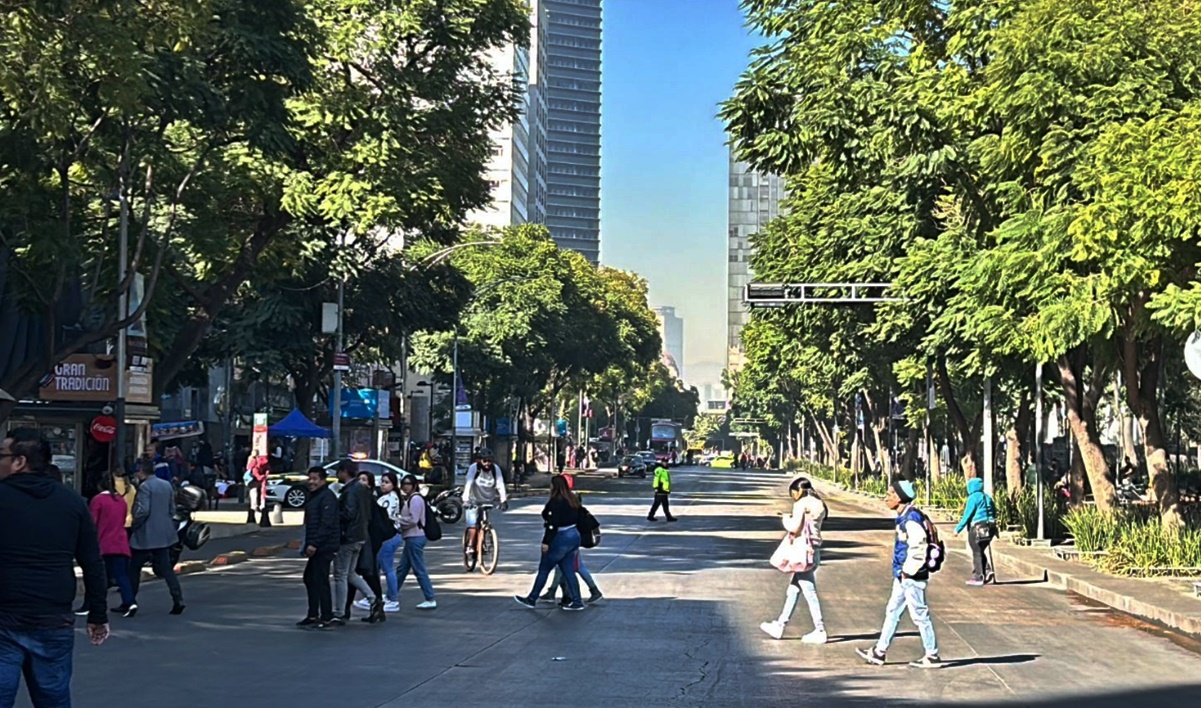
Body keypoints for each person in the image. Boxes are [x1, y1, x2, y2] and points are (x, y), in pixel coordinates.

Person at [0, 428, 109, 707]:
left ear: (19, 462)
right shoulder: (71, 502)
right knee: (54, 697)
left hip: (4, 616)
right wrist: (97, 613)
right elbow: (92, 562)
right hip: (53, 617)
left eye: (2, 455)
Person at [856, 479, 941, 669]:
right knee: (893, 611)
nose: (886, 497)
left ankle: (932, 654)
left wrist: (907, 571)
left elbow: (918, 547)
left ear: (901, 497)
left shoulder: (911, 519)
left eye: (891, 494)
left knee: (919, 614)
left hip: (911, 575)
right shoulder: (905, 517)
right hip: (903, 575)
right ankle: (879, 652)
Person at [760, 477, 828, 643]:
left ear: (799, 491)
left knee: (809, 591)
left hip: (801, 552)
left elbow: (793, 527)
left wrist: (785, 518)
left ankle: (820, 629)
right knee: (794, 589)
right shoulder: (819, 503)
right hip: (813, 549)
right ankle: (780, 625)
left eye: (793, 493)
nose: (793, 497)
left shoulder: (801, 504)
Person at [514, 475, 585, 611]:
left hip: (560, 537)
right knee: (569, 570)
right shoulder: (572, 500)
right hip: (574, 535)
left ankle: (532, 598)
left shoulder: (555, 502)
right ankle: (577, 600)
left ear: (554, 486)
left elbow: (552, 525)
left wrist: (546, 542)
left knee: (544, 569)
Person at [129, 459, 186, 615]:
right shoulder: (166, 484)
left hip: (146, 534)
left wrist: (135, 523)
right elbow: (171, 509)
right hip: (163, 533)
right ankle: (178, 598)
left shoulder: (145, 487)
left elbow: (143, 510)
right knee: (167, 569)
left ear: (141, 471)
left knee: (134, 567)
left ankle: (130, 601)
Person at [331, 460, 380, 625]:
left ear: (344, 471)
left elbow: (348, 513)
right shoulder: (362, 489)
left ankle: (339, 612)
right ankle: (373, 599)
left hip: (349, 536)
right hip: (360, 535)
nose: (337, 475)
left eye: (338, 471)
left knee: (340, 574)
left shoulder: (350, 491)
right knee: (350, 573)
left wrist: (334, 515)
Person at [89, 474, 136, 618]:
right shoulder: (120, 501)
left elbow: (92, 523)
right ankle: (130, 601)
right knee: (122, 575)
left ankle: (97, 605)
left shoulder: (98, 500)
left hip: (104, 543)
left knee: (101, 577)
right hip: (120, 542)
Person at [298, 467, 339, 628]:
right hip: (317, 544)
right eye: (310, 478)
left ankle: (326, 615)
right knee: (310, 578)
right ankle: (314, 614)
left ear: (322, 480)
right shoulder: (315, 497)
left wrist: (315, 543)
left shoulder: (327, 498)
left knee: (320, 579)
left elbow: (326, 524)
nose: (311, 482)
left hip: (324, 546)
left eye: (315, 479)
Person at [395, 474, 437, 609]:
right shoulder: (412, 499)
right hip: (411, 537)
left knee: (419, 569)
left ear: (414, 485)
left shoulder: (416, 499)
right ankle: (392, 593)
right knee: (402, 569)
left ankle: (430, 598)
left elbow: (413, 520)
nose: (405, 486)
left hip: (416, 537)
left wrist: (397, 519)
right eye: (403, 484)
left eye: (408, 484)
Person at [350, 472, 387, 621]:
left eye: (365, 480)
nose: (361, 483)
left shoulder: (370, 500)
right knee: (351, 575)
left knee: (368, 574)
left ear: (371, 485)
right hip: (360, 539)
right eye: (359, 479)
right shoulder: (357, 497)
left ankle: (377, 605)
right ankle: (346, 609)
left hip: (369, 541)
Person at [461, 449, 509, 562]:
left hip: (488, 500)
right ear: (479, 460)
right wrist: (465, 500)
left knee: (484, 521)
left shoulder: (495, 469)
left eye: (489, 461)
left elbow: (500, 484)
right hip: (473, 500)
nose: (487, 463)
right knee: (473, 523)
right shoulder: (474, 468)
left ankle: (483, 539)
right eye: (485, 461)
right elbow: (468, 483)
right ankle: (470, 546)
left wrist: (503, 500)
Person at [956, 477, 997, 586]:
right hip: (990, 526)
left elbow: (967, 515)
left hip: (978, 527)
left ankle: (979, 577)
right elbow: (994, 511)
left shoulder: (973, 498)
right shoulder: (987, 497)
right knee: (980, 549)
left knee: (976, 551)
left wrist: (958, 529)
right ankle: (987, 571)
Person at [376, 472, 404, 613]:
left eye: (386, 482)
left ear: (393, 485)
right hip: (391, 535)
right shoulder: (392, 498)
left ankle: (393, 598)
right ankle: (378, 596)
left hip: (389, 536)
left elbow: (384, 518)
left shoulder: (389, 499)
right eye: (382, 481)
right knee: (381, 566)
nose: (383, 484)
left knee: (387, 568)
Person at [246, 452, 270, 525]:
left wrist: (259, 477)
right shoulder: (265, 462)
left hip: (253, 480)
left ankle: (253, 509)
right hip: (262, 480)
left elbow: (250, 468)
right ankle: (262, 508)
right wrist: (264, 476)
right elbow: (267, 469)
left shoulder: (253, 460)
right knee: (262, 494)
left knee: (254, 494)